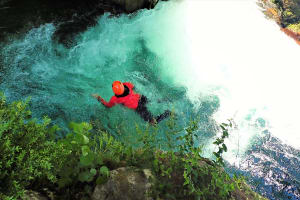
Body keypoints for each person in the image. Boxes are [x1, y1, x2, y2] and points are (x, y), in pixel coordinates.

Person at [91, 81, 171, 124]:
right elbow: (133, 86)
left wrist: (99, 97)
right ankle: (165, 100)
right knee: (152, 101)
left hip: (138, 108)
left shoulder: (115, 99)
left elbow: (107, 106)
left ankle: (167, 113)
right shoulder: (127, 84)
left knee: (153, 123)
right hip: (141, 97)